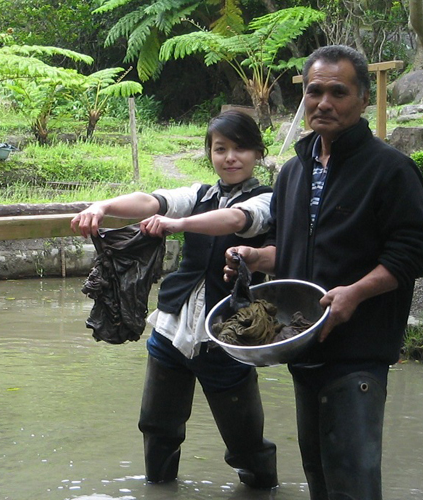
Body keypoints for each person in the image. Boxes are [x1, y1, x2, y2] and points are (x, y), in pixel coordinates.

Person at [226, 45, 423, 500]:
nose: (324, 102)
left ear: (363, 99)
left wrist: (356, 294)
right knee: (320, 480)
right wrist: (255, 258)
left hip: (357, 352)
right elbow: (294, 248)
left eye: (338, 92)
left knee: (353, 483)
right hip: (303, 346)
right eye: (315, 91)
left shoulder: (390, 169)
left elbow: (418, 248)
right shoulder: (293, 170)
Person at [71, 110, 278, 489]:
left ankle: (263, 487)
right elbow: (151, 201)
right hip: (172, 326)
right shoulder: (200, 194)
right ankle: (159, 488)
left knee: (246, 443)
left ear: (258, 153)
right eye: (220, 149)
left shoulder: (268, 200)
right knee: (157, 426)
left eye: (241, 149)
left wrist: (176, 225)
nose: (230, 157)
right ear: (210, 154)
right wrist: (103, 206)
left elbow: (236, 220)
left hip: (229, 333)